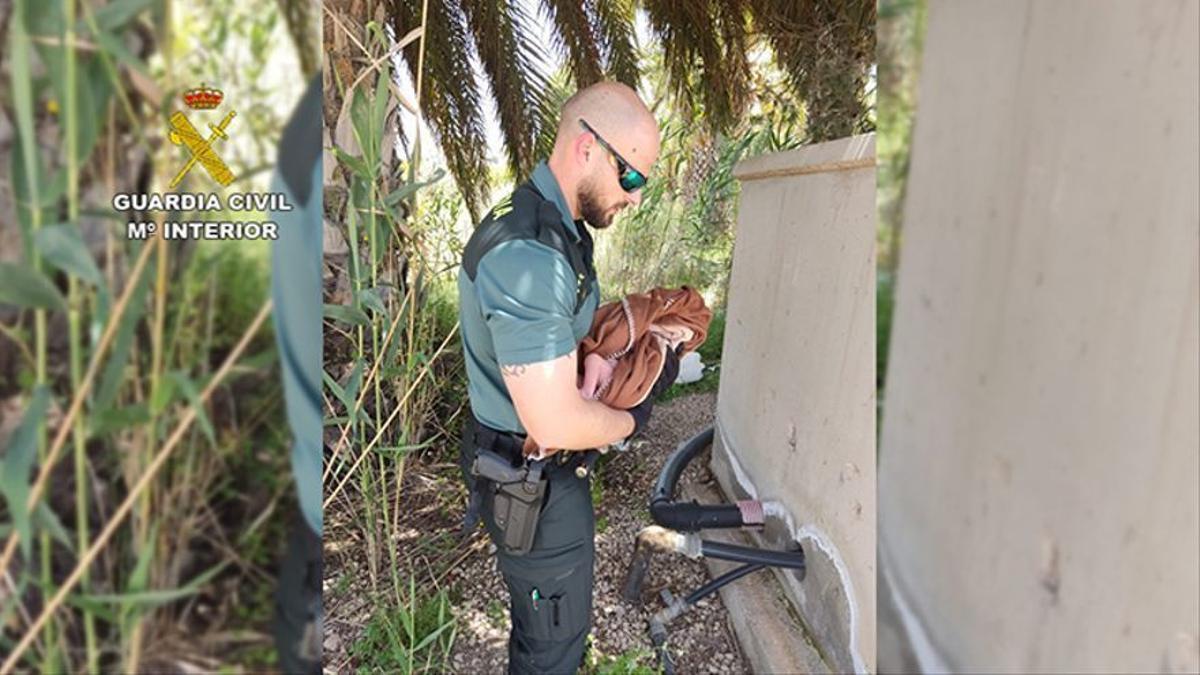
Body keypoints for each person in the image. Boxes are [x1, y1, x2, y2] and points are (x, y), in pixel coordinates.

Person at [456, 81, 675, 674]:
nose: (636, 198)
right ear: (587, 147)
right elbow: (553, 419)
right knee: (551, 647)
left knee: (543, 634)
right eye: (632, 178)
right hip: (532, 481)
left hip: (545, 473)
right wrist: (631, 419)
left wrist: (596, 356)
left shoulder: (560, 228)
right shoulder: (528, 251)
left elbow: (556, 331)